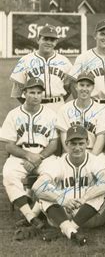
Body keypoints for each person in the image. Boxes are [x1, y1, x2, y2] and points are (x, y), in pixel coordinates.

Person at [32, 125, 105, 245]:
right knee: (45, 194)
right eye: (73, 143)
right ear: (66, 144)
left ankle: (66, 230)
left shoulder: (95, 161)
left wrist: (85, 198)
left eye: (81, 143)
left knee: (102, 192)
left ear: (87, 143)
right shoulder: (58, 163)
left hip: (89, 215)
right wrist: (62, 200)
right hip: (63, 213)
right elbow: (36, 186)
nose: (77, 147)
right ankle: (71, 231)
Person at [1, 78, 58, 230]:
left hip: (43, 155)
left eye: (39, 93)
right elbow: (9, 145)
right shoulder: (13, 114)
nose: (35, 96)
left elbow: (54, 143)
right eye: (32, 92)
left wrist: (38, 157)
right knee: (9, 174)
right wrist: (28, 155)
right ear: (24, 93)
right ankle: (31, 217)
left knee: (53, 174)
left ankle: (34, 212)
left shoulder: (50, 114)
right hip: (20, 155)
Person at [10, 24, 73, 113]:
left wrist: (58, 101)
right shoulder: (25, 60)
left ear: (56, 42)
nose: (49, 42)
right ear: (38, 40)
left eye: (52, 40)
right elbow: (17, 92)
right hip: (33, 107)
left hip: (58, 106)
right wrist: (30, 104)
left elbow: (70, 88)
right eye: (45, 39)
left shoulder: (65, 61)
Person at [56, 71, 105, 156]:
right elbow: (64, 139)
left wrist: (90, 159)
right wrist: (73, 157)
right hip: (70, 153)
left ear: (93, 87)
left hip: (93, 152)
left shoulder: (101, 110)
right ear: (76, 86)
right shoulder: (64, 109)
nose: (84, 89)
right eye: (81, 85)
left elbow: (101, 138)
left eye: (88, 86)